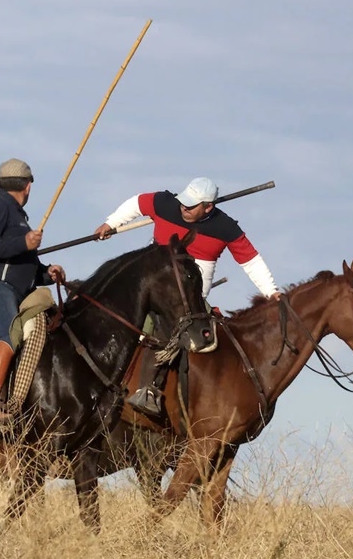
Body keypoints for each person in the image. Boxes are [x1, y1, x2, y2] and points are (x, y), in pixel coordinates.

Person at [93, 176, 281, 415]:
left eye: (191, 206)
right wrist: (110, 223)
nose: (184, 208)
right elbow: (137, 204)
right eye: (183, 202)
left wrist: (272, 292)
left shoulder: (226, 228)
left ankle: (152, 389)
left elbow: (251, 262)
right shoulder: (165, 203)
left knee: (173, 328)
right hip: (155, 278)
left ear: (208, 207)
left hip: (190, 291)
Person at [0, 158, 64, 431]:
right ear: (29, 186)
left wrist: (48, 273)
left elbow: (21, 267)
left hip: (14, 288)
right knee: (11, 333)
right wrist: (23, 242)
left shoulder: (18, 217)